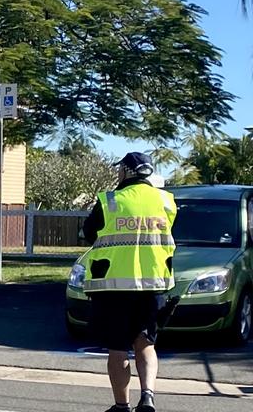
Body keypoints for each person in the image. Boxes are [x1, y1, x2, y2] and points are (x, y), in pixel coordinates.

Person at [81, 152, 176, 412]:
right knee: (146, 343)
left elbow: (88, 233)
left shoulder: (110, 201)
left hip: (114, 286)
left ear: (126, 172)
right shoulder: (166, 201)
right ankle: (148, 397)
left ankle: (121, 406)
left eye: (119, 170)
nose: (117, 174)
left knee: (118, 349)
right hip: (153, 284)